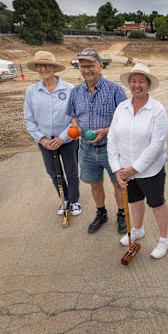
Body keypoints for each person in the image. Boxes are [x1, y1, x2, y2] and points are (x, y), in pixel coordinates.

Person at [107, 63, 168, 259]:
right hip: (125, 169)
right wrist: (118, 169)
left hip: (150, 170)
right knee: (134, 201)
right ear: (129, 84)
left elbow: (157, 144)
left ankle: (164, 239)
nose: (137, 85)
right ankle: (138, 229)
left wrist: (134, 169)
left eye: (141, 81)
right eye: (133, 81)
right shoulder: (121, 107)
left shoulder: (157, 110)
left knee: (157, 203)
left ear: (148, 85)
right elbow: (112, 138)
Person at [66, 48, 128, 234]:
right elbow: (73, 116)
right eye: (83, 66)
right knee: (95, 183)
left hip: (111, 148)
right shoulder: (76, 92)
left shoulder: (115, 90)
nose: (86, 70)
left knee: (118, 183)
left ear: (100, 66)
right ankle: (101, 213)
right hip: (86, 148)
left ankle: (122, 215)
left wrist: (107, 131)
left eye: (91, 66)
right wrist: (75, 128)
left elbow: (126, 120)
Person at [23, 51, 82, 217]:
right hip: (45, 142)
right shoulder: (32, 91)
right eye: (40, 65)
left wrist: (62, 138)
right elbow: (29, 119)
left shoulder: (70, 89)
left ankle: (75, 200)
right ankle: (65, 199)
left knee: (71, 171)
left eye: (47, 65)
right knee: (53, 172)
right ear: (36, 68)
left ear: (54, 67)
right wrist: (42, 139)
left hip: (67, 140)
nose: (43, 68)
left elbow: (75, 118)